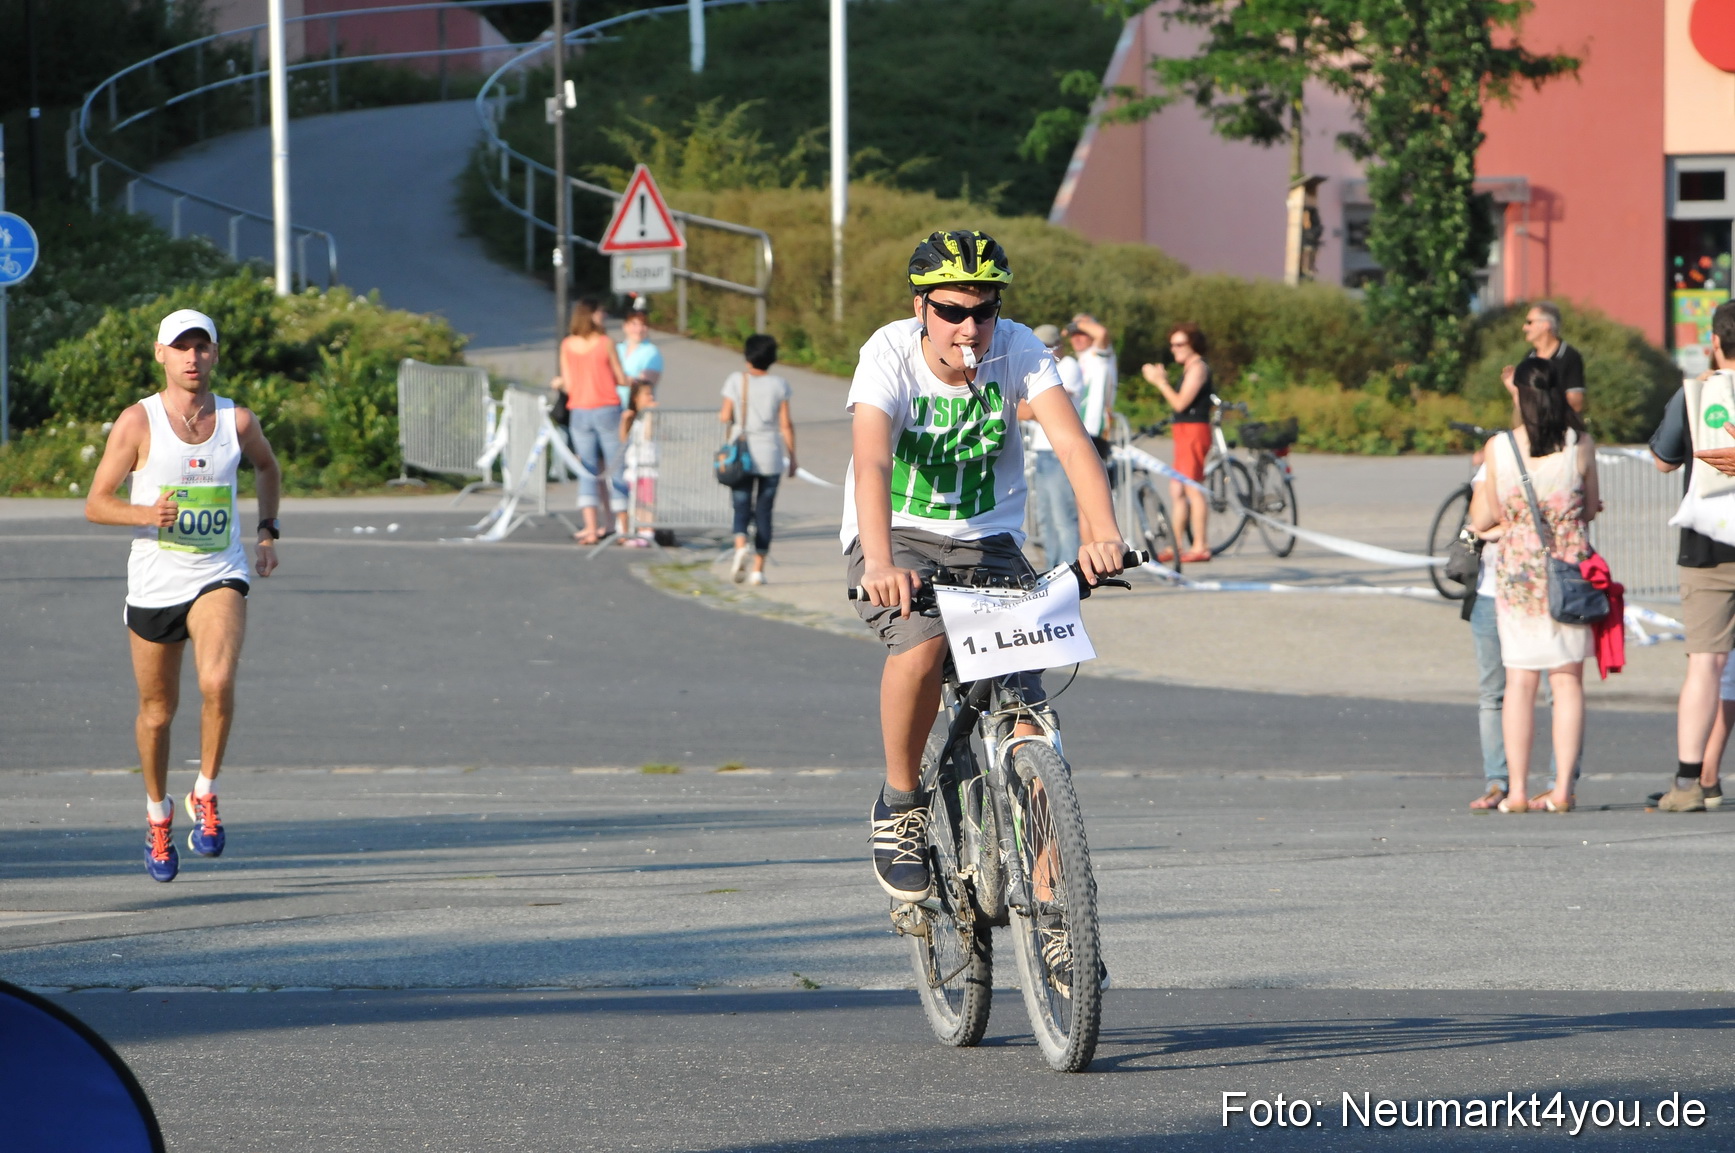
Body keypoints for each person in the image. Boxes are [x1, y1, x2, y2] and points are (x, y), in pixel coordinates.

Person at [847, 229, 1125, 902]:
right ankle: (901, 803)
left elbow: (1070, 439)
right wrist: (880, 560)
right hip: (899, 536)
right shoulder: (886, 353)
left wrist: (1103, 532)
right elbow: (873, 457)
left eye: (983, 310)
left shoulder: (1019, 347)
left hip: (991, 543)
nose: (968, 327)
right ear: (921, 309)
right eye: (950, 311)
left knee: (1030, 722)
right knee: (922, 644)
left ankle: (1058, 915)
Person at [83, 309, 282, 882]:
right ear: (160, 354)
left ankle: (206, 792)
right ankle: (157, 815)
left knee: (216, 681)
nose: (192, 357)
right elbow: (96, 503)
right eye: (181, 347)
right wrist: (145, 513)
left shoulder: (236, 421)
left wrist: (268, 531)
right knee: (157, 712)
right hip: (154, 580)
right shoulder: (137, 423)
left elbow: (267, 467)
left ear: (216, 354)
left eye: (202, 347)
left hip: (218, 570)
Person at [1469, 357, 1598, 813]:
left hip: (1520, 573)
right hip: (1569, 571)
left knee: (1520, 683)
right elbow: (1590, 506)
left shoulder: (1499, 448)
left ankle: (1518, 791)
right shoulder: (1579, 442)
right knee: (1567, 683)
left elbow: (1487, 515)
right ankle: (1562, 789)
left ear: (1519, 395)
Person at [1648, 299, 1735, 812]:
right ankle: (1710, 774)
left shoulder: (1694, 395)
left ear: (1715, 343)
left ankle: (1688, 782)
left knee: (1705, 663)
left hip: (1707, 545)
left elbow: (1661, 461)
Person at [719, 334, 796, 584]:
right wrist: (792, 457)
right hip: (770, 455)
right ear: (772, 358)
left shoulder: (735, 380)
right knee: (764, 512)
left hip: (741, 454)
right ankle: (758, 570)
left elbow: (724, 415)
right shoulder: (780, 384)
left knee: (740, 506)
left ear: (747, 356)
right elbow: (785, 424)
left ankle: (740, 546)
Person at [556, 297, 629, 545]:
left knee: (587, 469)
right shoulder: (605, 343)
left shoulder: (567, 345)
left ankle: (590, 528)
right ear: (592, 316)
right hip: (607, 407)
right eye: (601, 313)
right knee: (616, 467)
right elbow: (620, 377)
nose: (604, 317)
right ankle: (621, 525)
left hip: (579, 410)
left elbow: (567, 383)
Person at [1140, 323, 1214, 563]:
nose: (1175, 349)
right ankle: (1177, 543)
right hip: (1183, 431)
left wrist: (1160, 382)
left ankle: (1201, 545)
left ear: (1193, 344)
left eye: (1180, 344)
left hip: (1194, 430)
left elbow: (1180, 403)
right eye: (1172, 344)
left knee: (1192, 487)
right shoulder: (1189, 368)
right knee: (1177, 489)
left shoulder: (1198, 368)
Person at [1018, 323, 1085, 565]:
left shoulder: (1069, 367)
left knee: (1063, 517)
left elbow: (1040, 410)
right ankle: (1051, 570)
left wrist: (1007, 403)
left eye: (1047, 346)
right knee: (1045, 517)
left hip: (1059, 452)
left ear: (1059, 346)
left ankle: (1068, 571)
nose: (1042, 351)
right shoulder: (1044, 367)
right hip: (1043, 450)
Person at [1519, 301, 1587, 415]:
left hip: (1562, 430)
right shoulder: (1529, 357)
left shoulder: (1570, 356)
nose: (1524, 327)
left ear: (1546, 324)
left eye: (1529, 322)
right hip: (1534, 429)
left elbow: (1576, 404)